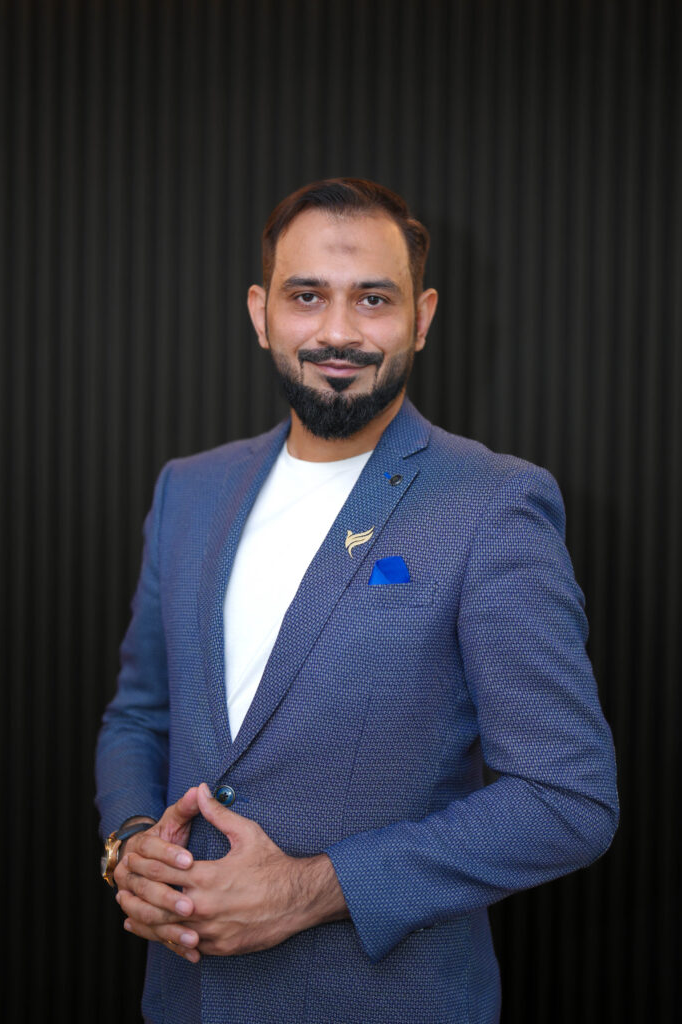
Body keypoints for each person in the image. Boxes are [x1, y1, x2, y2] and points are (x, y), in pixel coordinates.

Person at [96, 178, 618, 1024]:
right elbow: (138, 716)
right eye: (307, 296)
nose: (337, 332)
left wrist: (309, 889)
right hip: (182, 998)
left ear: (421, 317)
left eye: (372, 299)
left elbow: (567, 799)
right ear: (261, 313)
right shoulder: (188, 489)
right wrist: (128, 843)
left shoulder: (493, 504)